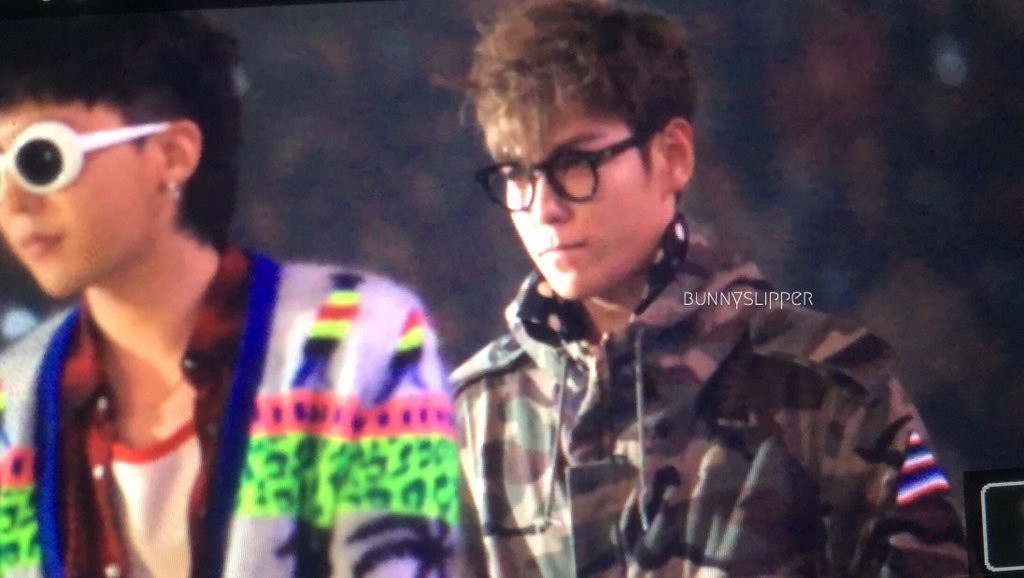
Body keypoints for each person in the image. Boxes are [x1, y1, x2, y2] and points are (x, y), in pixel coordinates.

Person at [451, 1, 970, 576]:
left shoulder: (828, 393)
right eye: (517, 173)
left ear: (673, 156)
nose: (543, 207)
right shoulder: (472, 416)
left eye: (576, 163)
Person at [0, 13, 457, 578]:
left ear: (173, 154)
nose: (13, 201)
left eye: (41, 159)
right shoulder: (12, 398)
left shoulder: (361, 337)